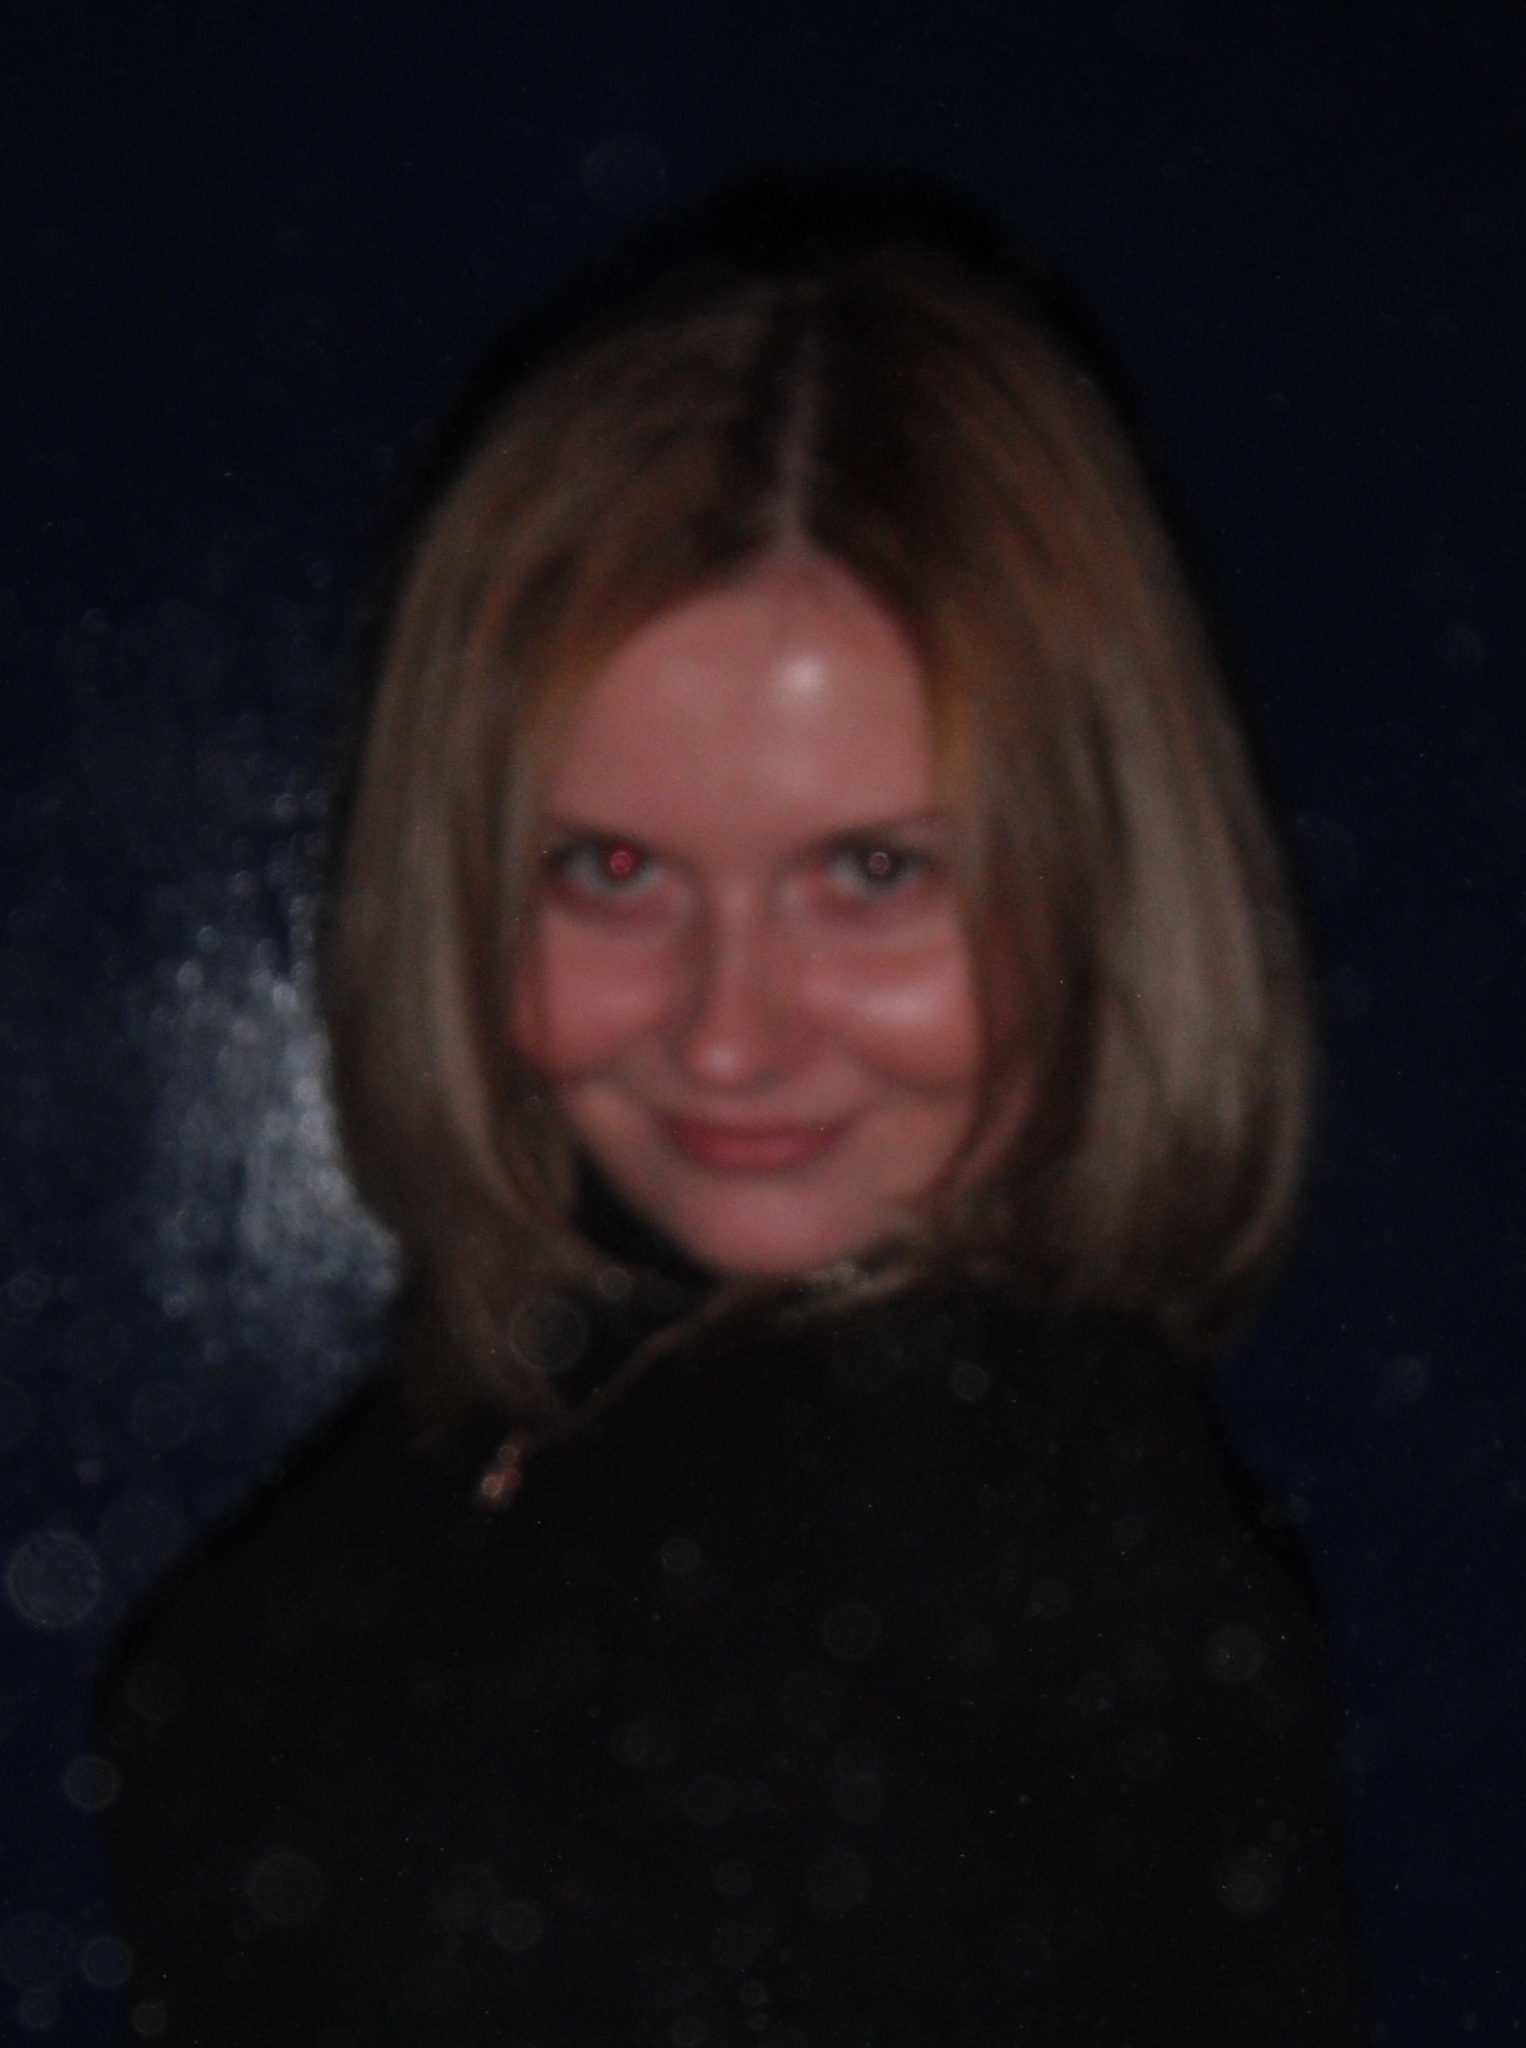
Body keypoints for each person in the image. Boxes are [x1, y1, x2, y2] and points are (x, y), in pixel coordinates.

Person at [95, 190, 1362, 2045]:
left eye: (872, 870)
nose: (730, 1035)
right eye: (610, 870)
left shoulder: (1016, 1530)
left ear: (1095, 884)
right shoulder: (589, 1377)